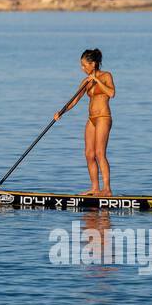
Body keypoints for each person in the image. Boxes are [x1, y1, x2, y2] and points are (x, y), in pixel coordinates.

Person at [54, 48, 115, 195]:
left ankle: (106, 189)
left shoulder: (106, 76)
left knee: (100, 153)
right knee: (89, 154)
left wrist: (96, 80)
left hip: (103, 118)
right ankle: (95, 188)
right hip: (91, 119)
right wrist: (61, 112)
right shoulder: (85, 81)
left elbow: (111, 93)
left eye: (84, 65)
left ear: (93, 64)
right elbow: (75, 100)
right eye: (81, 65)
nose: (82, 68)